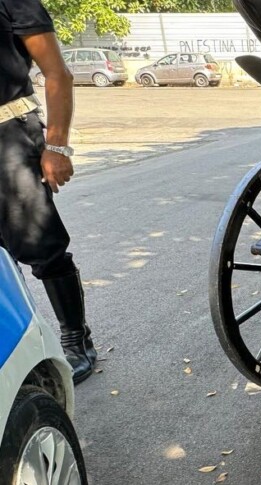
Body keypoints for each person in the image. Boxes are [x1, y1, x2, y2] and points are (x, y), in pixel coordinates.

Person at [0, 0, 96, 383]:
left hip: (8, 135)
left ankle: (76, 341)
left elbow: (57, 74)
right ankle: (16, 350)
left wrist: (56, 148)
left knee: (41, 247)